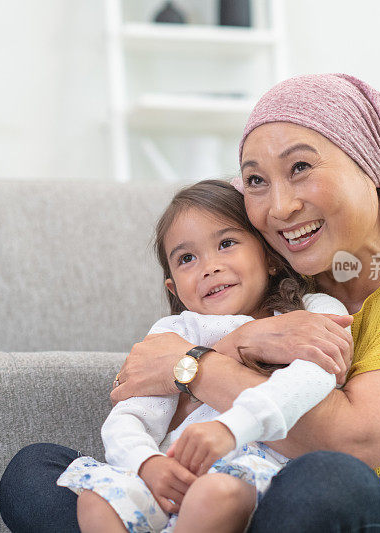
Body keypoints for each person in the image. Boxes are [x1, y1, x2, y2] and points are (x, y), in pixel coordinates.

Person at [0, 73, 380, 533]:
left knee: (323, 479)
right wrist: (238, 344)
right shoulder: (286, 278)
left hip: (352, 512)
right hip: (237, 507)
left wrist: (190, 366)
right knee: (37, 472)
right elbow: (153, 401)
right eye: (256, 181)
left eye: (300, 167)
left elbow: (356, 441)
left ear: (369, 165)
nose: (279, 208)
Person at [56, 179, 349, 533]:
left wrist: (229, 428)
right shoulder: (173, 333)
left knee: (214, 494)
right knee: (96, 499)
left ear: (270, 257)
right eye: (187, 258)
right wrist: (147, 463)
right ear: (173, 288)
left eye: (226, 244)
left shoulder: (310, 311)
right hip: (172, 473)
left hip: (255, 473)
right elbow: (129, 415)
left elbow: (307, 383)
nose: (209, 266)